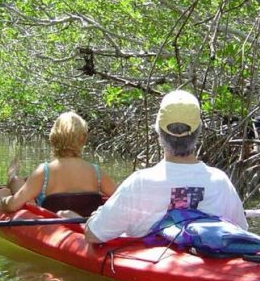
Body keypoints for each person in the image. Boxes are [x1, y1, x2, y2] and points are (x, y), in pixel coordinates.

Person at [83, 90, 248, 243]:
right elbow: (241, 230)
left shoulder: (139, 183)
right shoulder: (220, 182)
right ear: (198, 131)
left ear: (158, 131)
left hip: (150, 268)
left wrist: (95, 217)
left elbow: (93, 235)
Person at [0, 111, 117, 217]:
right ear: (83, 139)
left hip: (53, 225)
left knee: (16, 181)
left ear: (52, 138)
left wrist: (2, 198)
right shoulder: (96, 172)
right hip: (83, 223)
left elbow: (11, 206)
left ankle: (12, 176)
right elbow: (123, 199)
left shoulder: (44, 171)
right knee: (18, 181)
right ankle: (14, 176)